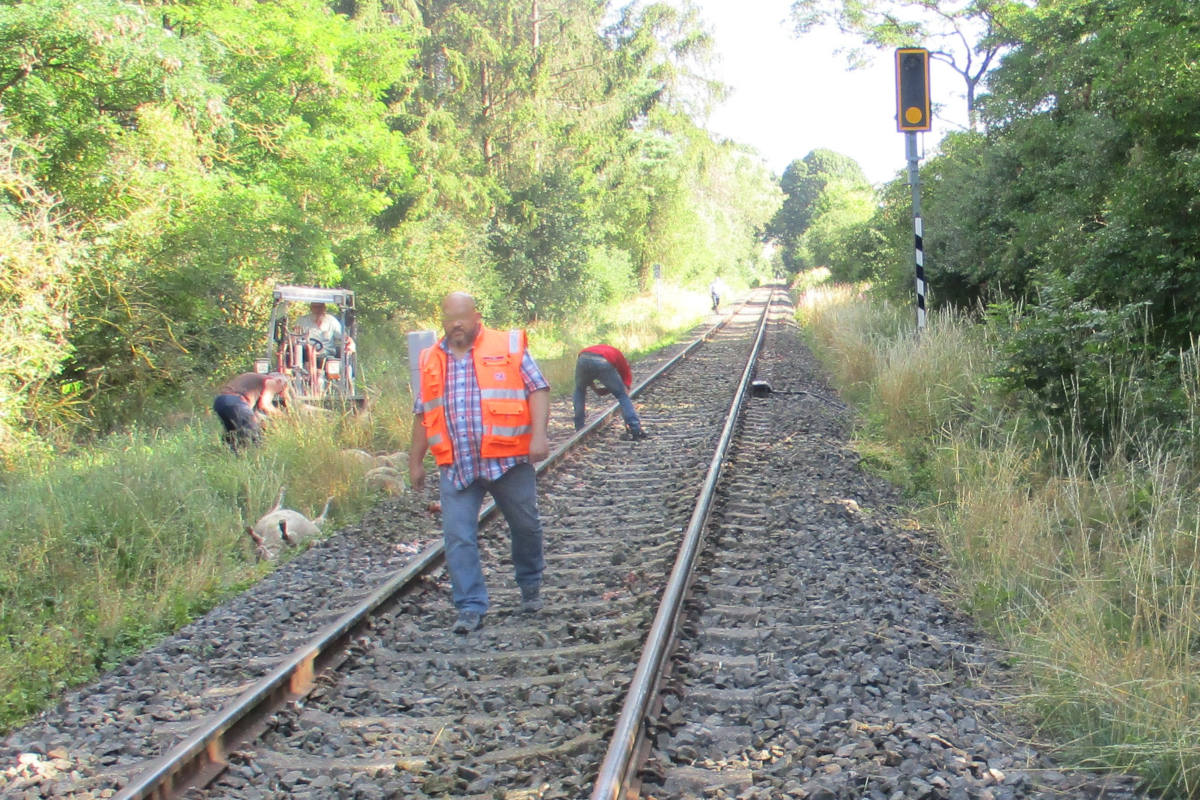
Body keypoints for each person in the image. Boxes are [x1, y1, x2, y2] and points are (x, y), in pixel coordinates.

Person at [408, 292, 551, 634]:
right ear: (442, 320)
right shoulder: (431, 359)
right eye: (449, 319)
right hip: (458, 464)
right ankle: (470, 605)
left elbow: (538, 388)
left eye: (461, 317)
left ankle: (530, 584)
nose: (456, 324)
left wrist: (539, 435)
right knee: (458, 536)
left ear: (476, 316)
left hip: (508, 461)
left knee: (526, 526)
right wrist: (415, 460)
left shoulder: (507, 345)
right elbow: (422, 413)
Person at [573, 344, 647, 441]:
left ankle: (579, 427)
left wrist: (595, 388)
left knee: (579, 390)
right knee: (622, 395)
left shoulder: (593, 349)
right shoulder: (618, 355)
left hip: (583, 358)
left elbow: (586, 375)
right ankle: (635, 428)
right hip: (602, 361)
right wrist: (625, 389)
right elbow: (626, 375)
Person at [212, 372, 291, 452]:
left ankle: (227, 456)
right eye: (281, 389)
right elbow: (264, 405)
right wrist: (286, 417)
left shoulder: (255, 380)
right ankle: (258, 457)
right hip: (236, 402)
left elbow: (255, 412)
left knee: (233, 434)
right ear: (279, 381)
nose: (279, 393)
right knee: (255, 436)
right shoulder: (271, 381)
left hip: (220, 402)